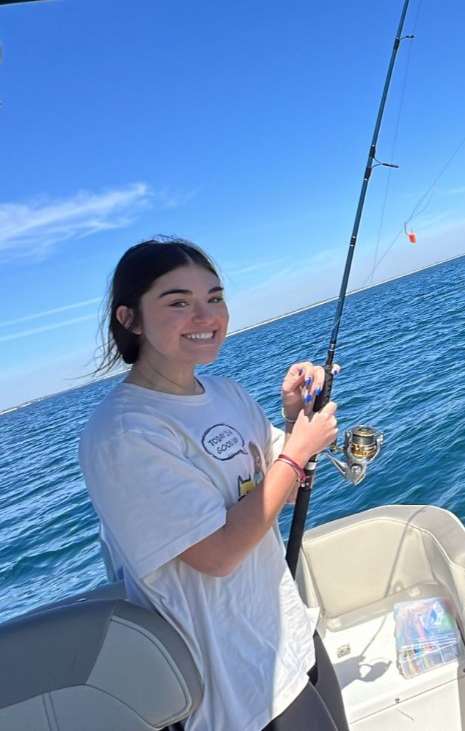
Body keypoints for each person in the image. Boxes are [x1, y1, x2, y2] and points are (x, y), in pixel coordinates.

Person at [79, 238, 349, 731]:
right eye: (178, 302)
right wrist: (297, 451)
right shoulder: (124, 433)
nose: (206, 315)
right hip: (237, 690)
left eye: (215, 297)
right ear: (129, 319)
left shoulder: (227, 392)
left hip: (290, 636)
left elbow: (282, 491)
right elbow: (218, 554)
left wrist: (294, 423)